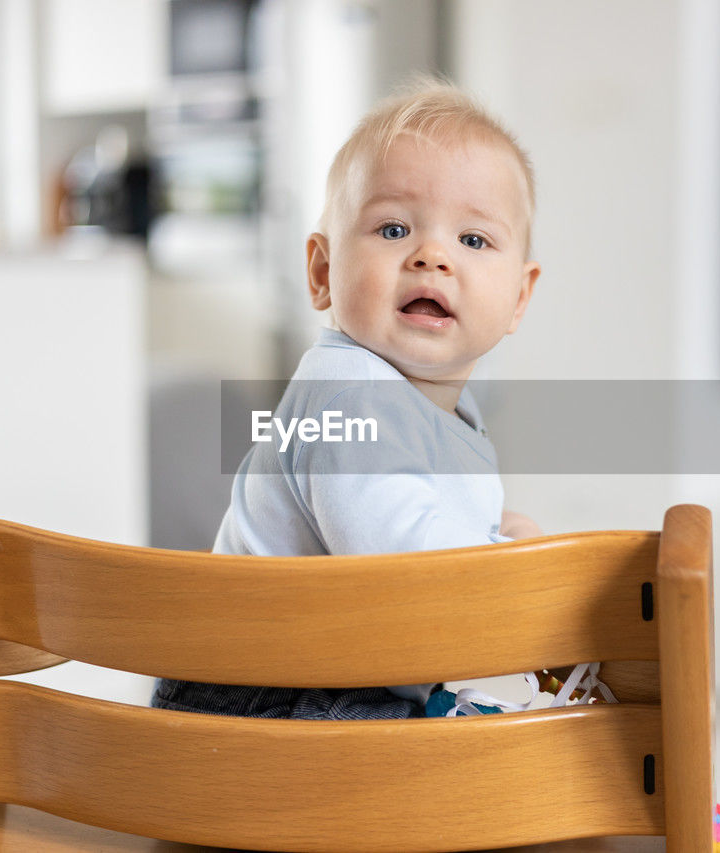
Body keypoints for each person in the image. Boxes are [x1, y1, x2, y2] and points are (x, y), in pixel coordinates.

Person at [152, 78, 545, 720]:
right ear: (322, 272)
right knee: (480, 766)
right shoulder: (344, 399)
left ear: (519, 299)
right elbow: (401, 565)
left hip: (329, 678)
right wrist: (512, 565)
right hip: (255, 698)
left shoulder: (451, 418)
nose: (433, 255)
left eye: (473, 240)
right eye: (393, 228)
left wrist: (497, 536)